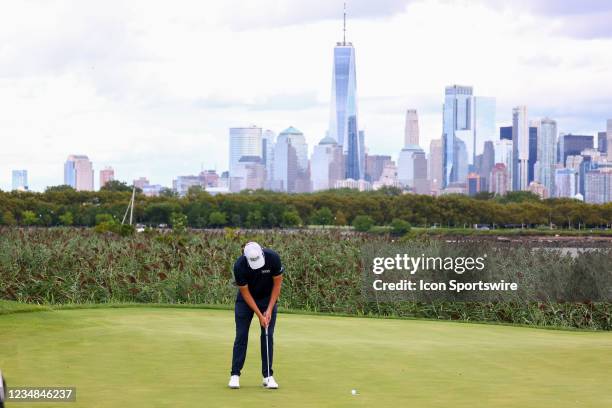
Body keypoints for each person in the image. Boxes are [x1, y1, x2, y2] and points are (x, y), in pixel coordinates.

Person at [228, 242, 284, 390]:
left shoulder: (273, 258)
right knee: (241, 335)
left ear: (262, 253)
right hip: (245, 301)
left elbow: (277, 285)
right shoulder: (239, 266)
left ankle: (268, 376)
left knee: (267, 335)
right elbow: (245, 293)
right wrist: (260, 315)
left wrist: (270, 309)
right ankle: (235, 375)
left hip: (267, 299)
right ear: (245, 258)